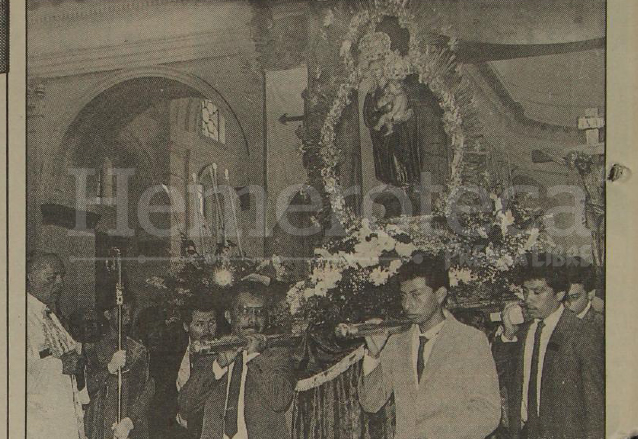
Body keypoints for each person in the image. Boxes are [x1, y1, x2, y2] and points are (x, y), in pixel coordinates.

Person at [358, 253, 501, 439]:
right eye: (403, 296)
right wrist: (373, 355)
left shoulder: (470, 340)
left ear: (440, 295)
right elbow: (370, 403)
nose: (407, 305)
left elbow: (488, 412)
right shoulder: (397, 342)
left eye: (416, 295)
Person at [492, 253, 604, 439]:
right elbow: (498, 379)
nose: (528, 299)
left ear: (560, 293)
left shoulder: (582, 333)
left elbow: (595, 406)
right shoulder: (522, 332)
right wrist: (508, 335)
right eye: (525, 291)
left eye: (537, 292)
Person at [193, 280, 295, 439]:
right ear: (228, 316)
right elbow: (186, 405)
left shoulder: (278, 353)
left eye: (259, 313)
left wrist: (255, 357)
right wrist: (217, 366)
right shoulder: (213, 353)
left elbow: (280, 400)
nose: (253, 320)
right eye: (245, 312)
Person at [27, 252, 87, 439]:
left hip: (62, 412)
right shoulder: (20, 314)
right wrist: (61, 365)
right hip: (39, 419)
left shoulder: (50, 314)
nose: (60, 283)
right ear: (30, 276)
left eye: (62, 276)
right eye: (52, 277)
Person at [84, 287, 155, 439]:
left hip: (131, 427)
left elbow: (148, 387)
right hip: (100, 425)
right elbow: (85, 387)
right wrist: (108, 369)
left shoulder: (138, 349)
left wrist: (130, 420)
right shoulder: (92, 349)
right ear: (108, 314)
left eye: (130, 313)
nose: (128, 318)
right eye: (122, 313)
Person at [176, 295, 221, 438]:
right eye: (200, 324)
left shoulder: (224, 354)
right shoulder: (171, 355)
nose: (207, 330)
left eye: (212, 323)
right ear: (186, 326)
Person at [564, 258, 604, 331]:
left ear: (590, 294)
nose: (566, 303)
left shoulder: (600, 325)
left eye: (574, 297)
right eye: (564, 298)